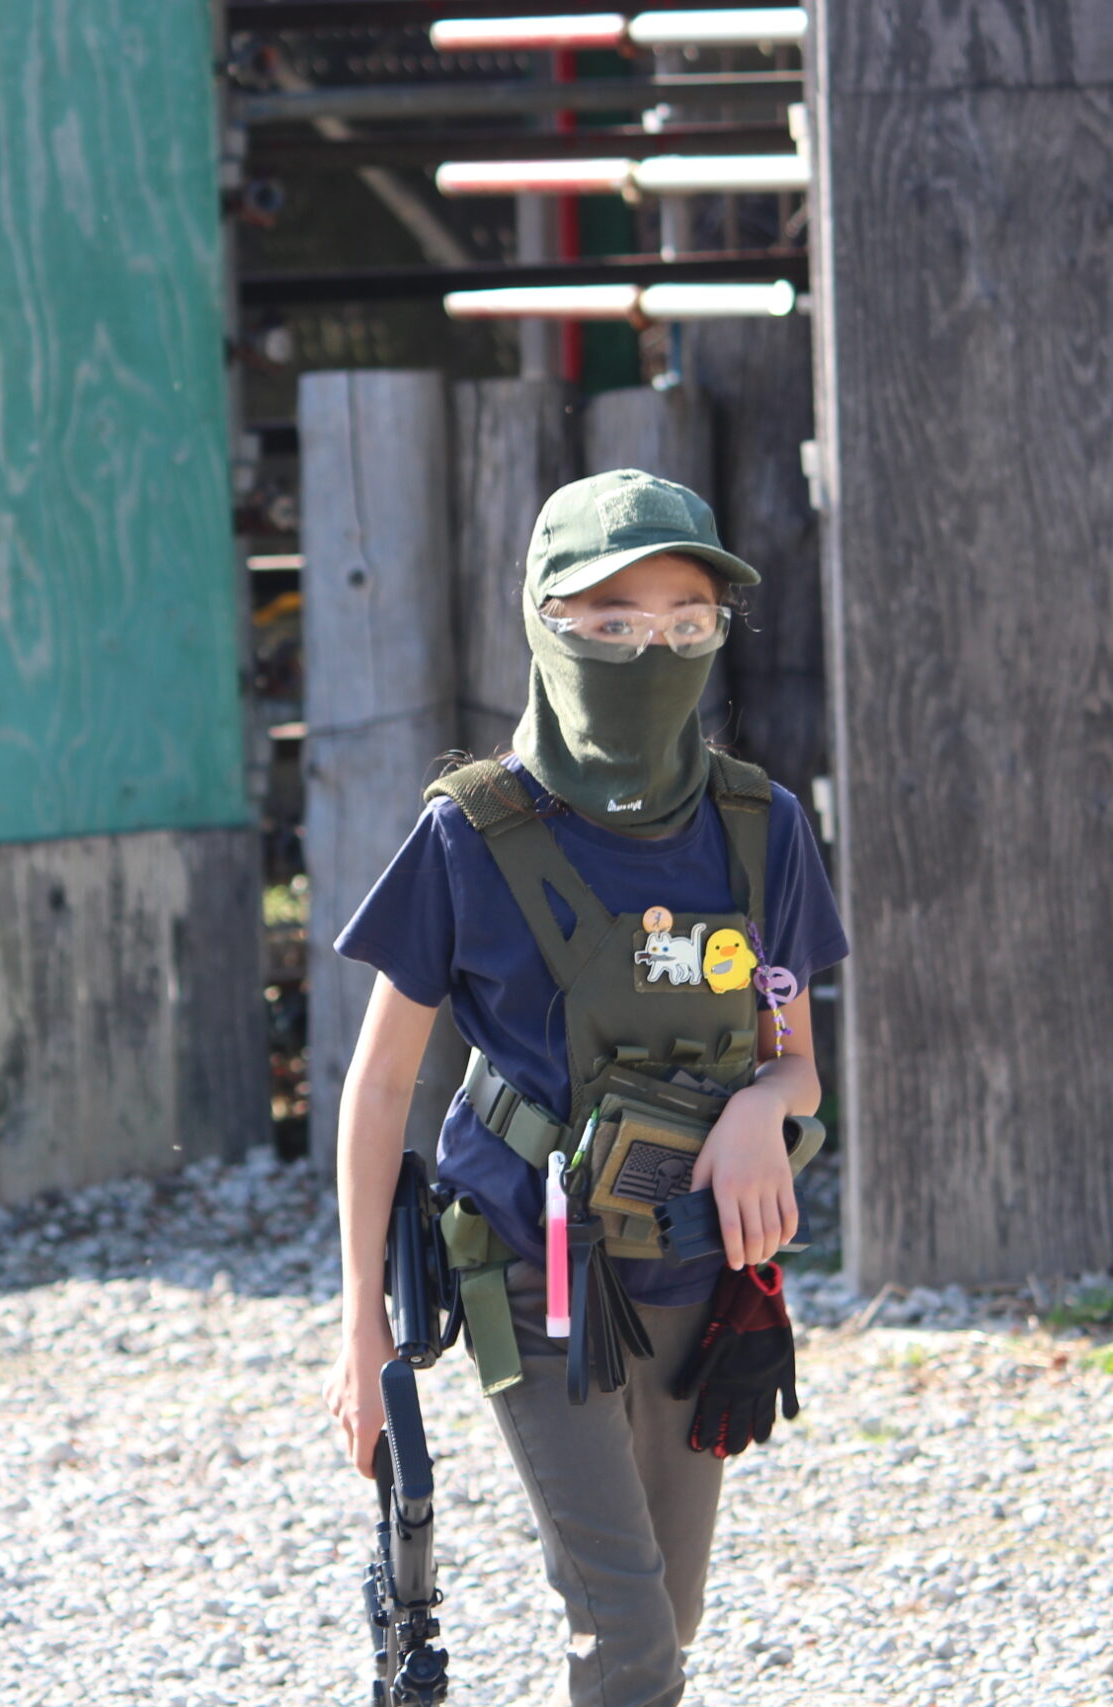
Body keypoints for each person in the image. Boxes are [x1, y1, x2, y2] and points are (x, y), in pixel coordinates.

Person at [322, 468, 849, 1707]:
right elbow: (380, 1081)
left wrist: (764, 1112)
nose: (648, 648)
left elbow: (794, 1060)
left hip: (698, 1268)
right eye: (610, 621)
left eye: (683, 621)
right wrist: (359, 1327)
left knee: (671, 1612)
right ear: (545, 624)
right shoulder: (470, 834)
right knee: (627, 1637)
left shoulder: (760, 827)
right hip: (528, 1270)